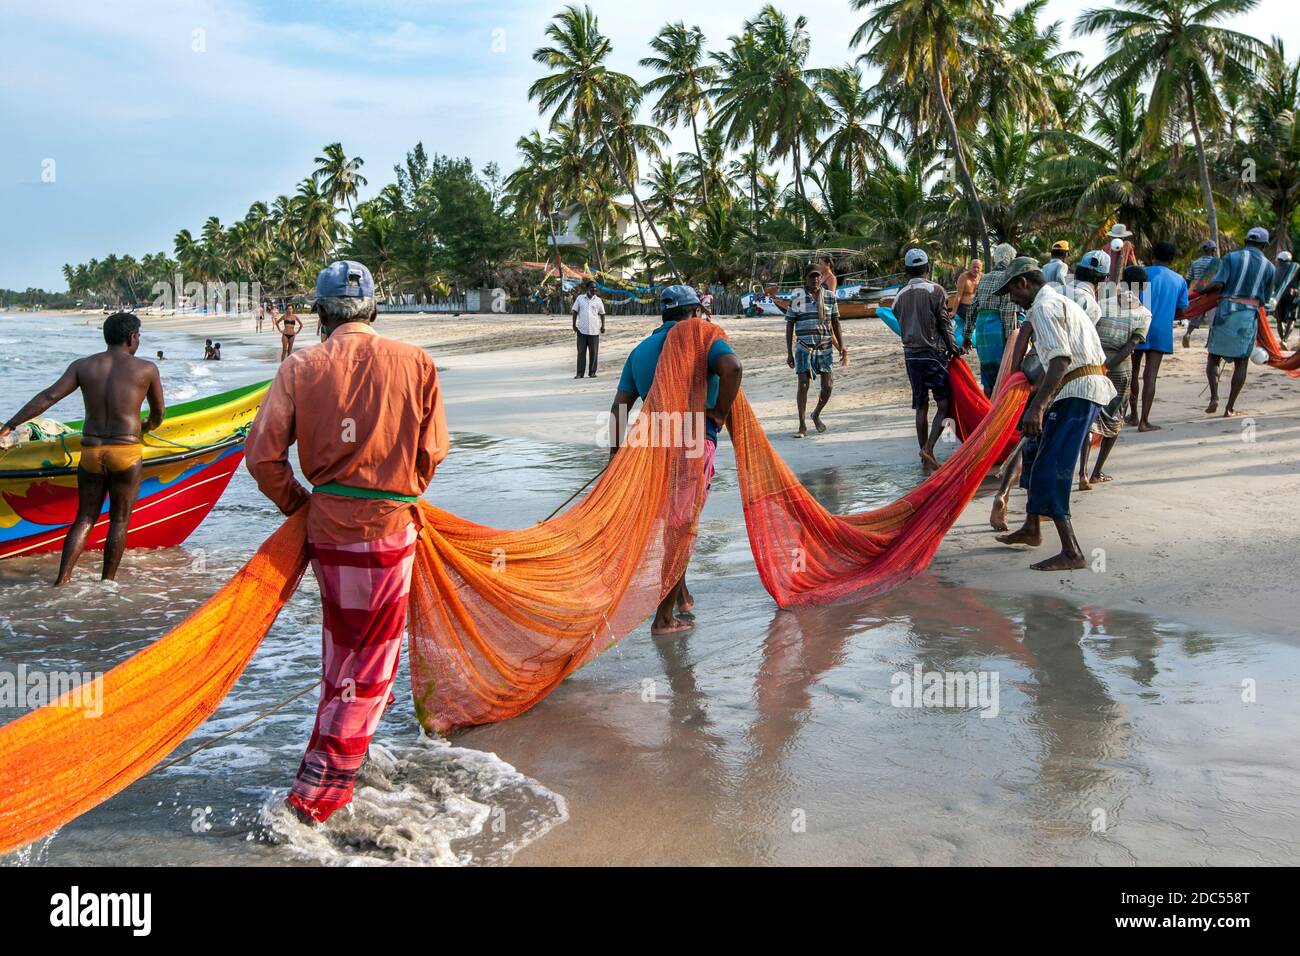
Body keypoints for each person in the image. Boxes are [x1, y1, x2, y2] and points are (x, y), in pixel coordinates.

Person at [244, 260, 448, 824]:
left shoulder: (301, 367)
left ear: (319, 314)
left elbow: (261, 457)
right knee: (375, 655)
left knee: (344, 646)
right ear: (374, 308)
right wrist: (398, 491)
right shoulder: (416, 361)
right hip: (389, 530)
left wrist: (303, 507)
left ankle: (338, 760)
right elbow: (433, 452)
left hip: (329, 532)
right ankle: (324, 785)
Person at [609, 285, 742, 635]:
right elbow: (733, 368)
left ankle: (681, 595)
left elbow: (619, 408)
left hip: (651, 449)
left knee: (673, 521)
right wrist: (719, 413)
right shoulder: (702, 337)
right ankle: (663, 617)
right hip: (692, 445)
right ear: (695, 313)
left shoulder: (640, 351)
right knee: (682, 526)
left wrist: (614, 460)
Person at [0, 312, 165, 585]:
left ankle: (62, 580)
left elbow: (48, 397)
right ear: (130, 337)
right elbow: (158, 415)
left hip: (90, 453)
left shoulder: (83, 366)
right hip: (125, 452)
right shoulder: (146, 369)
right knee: (119, 521)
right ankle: (107, 584)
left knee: (84, 518)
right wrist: (146, 426)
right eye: (138, 336)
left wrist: (9, 425)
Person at [993, 259, 1115, 571]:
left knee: (1052, 467)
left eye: (1010, 291)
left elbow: (1060, 360)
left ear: (1023, 283)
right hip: (1076, 387)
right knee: (1034, 453)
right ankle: (1032, 527)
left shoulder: (1045, 308)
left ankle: (1072, 552)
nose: (1010, 299)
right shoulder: (1058, 301)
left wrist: (1037, 406)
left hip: (1078, 389)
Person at [1079, 260, 1151, 489]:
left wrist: (1100, 364)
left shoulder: (1101, 303)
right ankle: (1097, 471)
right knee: (1113, 420)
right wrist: (1110, 366)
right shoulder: (1143, 313)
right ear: (1143, 288)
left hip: (1093, 362)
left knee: (1089, 420)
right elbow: (1131, 345)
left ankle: (1082, 472)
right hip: (1119, 369)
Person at [893, 249, 959, 473]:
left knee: (920, 405)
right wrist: (954, 348)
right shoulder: (936, 290)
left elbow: (899, 320)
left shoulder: (899, 296)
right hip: (933, 354)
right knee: (943, 404)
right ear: (927, 268)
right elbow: (944, 324)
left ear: (906, 270)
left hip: (911, 355)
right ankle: (929, 448)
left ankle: (924, 454)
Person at [1204, 226, 1277, 417]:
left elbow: (1219, 283)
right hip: (1247, 316)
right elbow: (1265, 299)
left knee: (1213, 356)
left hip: (1226, 311)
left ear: (1246, 241)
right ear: (1263, 245)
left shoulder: (1231, 257)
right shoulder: (1269, 267)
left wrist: (1200, 292)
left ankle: (1214, 397)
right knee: (1241, 362)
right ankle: (1229, 408)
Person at [1128, 241, 1187, 431]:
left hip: (1137, 326)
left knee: (1133, 373)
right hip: (1161, 329)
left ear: (1153, 255)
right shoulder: (1179, 280)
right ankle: (1145, 420)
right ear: (1172, 259)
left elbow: (1126, 300)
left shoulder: (1141, 273)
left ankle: (1134, 415)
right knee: (1151, 375)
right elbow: (1181, 311)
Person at [785, 266, 846, 437]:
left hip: (824, 347)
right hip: (804, 348)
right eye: (812, 276)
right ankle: (802, 425)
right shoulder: (797, 297)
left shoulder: (829, 297)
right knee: (803, 385)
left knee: (827, 386)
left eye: (818, 276)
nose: (816, 279)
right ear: (805, 278)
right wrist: (789, 352)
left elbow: (836, 322)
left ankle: (816, 414)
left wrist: (842, 345)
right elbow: (790, 324)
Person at [970, 243, 1019, 394]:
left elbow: (972, 307)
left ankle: (987, 410)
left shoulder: (984, 278)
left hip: (982, 328)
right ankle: (999, 413)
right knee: (1002, 373)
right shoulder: (1008, 279)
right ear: (1011, 259)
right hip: (997, 328)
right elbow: (1007, 313)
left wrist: (966, 335)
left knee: (987, 373)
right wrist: (1011, 340)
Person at [1182, 239, 1221, 348]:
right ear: (1213, 250)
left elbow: (1188, 279)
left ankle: (1188, 333)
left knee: (1196, 314)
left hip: (1198, 293)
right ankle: (1209, 342)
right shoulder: (1217, 262)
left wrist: (1186, 293)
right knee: (1212, 320)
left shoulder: (1195, 263)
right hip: (1212, 293)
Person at [570, 280, 605, 379]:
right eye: (592, 288)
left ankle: (592, 372)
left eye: (595, 288)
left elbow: (602, 314)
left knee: (594, 353)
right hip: (582, 330)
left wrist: (603, 326)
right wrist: (573, 325)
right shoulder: (580, 299)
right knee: (581, 352)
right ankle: (580, 373)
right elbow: (575, 312)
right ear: (587, 289)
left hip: (594, 330)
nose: (594, 290)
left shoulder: (598, 300)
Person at [1270, 250, 1298, 342]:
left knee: (1279, 320)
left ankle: (1282, 339)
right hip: (1292, 295)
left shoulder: (1275, 269)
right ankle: (1284, 340)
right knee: (1291, 319)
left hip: (1278, 297)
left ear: (1280, 260)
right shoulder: (1296, 267)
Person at [953, 258, 982, 341]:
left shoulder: (983, 277)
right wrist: (954, 311)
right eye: (973, 267)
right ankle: (966, 341)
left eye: (978, 267)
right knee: (971, 317)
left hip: (977, 306)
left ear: (981, 268)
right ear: (970, 267)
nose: (975, 269)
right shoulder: (964, 277)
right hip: (964, 307)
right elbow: (958, 295)